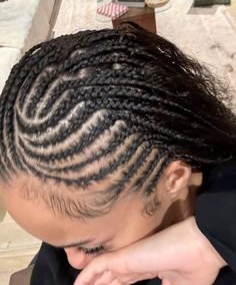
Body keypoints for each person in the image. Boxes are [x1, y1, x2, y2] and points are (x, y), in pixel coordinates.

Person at [0, 23, 235, 285]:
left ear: (174, 179)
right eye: (56, 242)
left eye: (91, 248)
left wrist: (210, 243)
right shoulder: (81, 216)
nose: (74, 262)